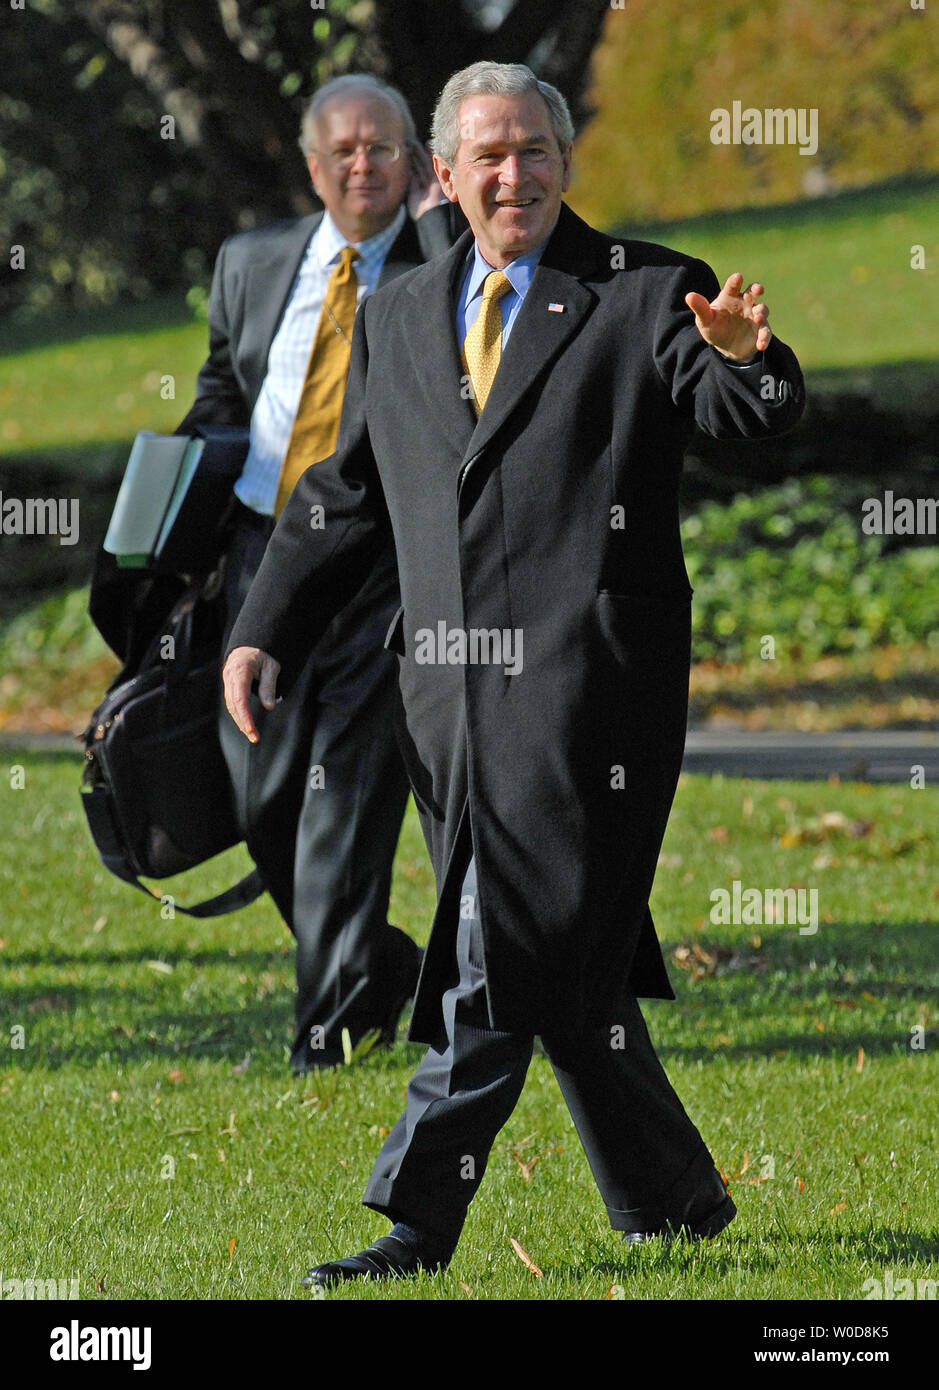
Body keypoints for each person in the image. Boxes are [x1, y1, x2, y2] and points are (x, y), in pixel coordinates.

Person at [222, 61, 806, 1283]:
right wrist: (260, 625)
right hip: (447, 710)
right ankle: (676, 1202)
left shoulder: (646, 290)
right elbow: (347, 497)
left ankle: (416, 1220)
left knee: (494, 963)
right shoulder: (401, 313)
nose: (514, 174)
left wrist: (752, 360)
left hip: (588, 704)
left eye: (534, 150)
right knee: (563, 967)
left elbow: (737, 413)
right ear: (446, 176)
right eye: (487, 155)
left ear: (565, 161)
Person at [174, 74, 460, 1072]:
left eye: (383, 146)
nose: (363, 164)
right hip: (263, 555)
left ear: (417, 160)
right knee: (258, 797)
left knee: (345, 801)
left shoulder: (445, 260)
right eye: (342, 149)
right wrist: (180, 490)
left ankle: (326, 1039)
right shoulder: (252, 263)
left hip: (382, 567)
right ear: (312, 165)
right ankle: (382, 970)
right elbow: (222, 386)